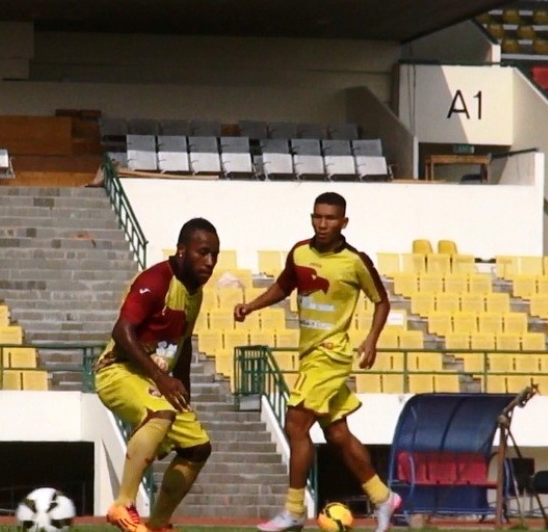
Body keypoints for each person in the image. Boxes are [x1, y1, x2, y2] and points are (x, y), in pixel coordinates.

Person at [233, 192, 401, 532]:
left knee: (296, 425)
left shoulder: (355, 261)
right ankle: (383, 497)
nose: (323, 224)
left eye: (330, 218)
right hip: (309, 354)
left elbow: (381, 302)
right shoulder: (300, 252)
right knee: (337, 434)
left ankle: (294, 510)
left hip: (332, 354)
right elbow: (283, 286)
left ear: (344, 222)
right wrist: (251, 306)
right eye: (318, 217)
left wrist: (371, 340)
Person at [95, 217, 219, 532]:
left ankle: (158, 525)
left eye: (214, 255)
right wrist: (162, 379)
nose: (210, 262)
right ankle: (122, 505)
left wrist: (184, 390)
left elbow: (183, 342)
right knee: (160, 412)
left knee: (198, 448)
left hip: (153, 379)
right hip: (117, 371)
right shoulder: (156, 280)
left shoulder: (195, 291)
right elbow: (122, 332)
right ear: (181, 251)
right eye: (202, 253)